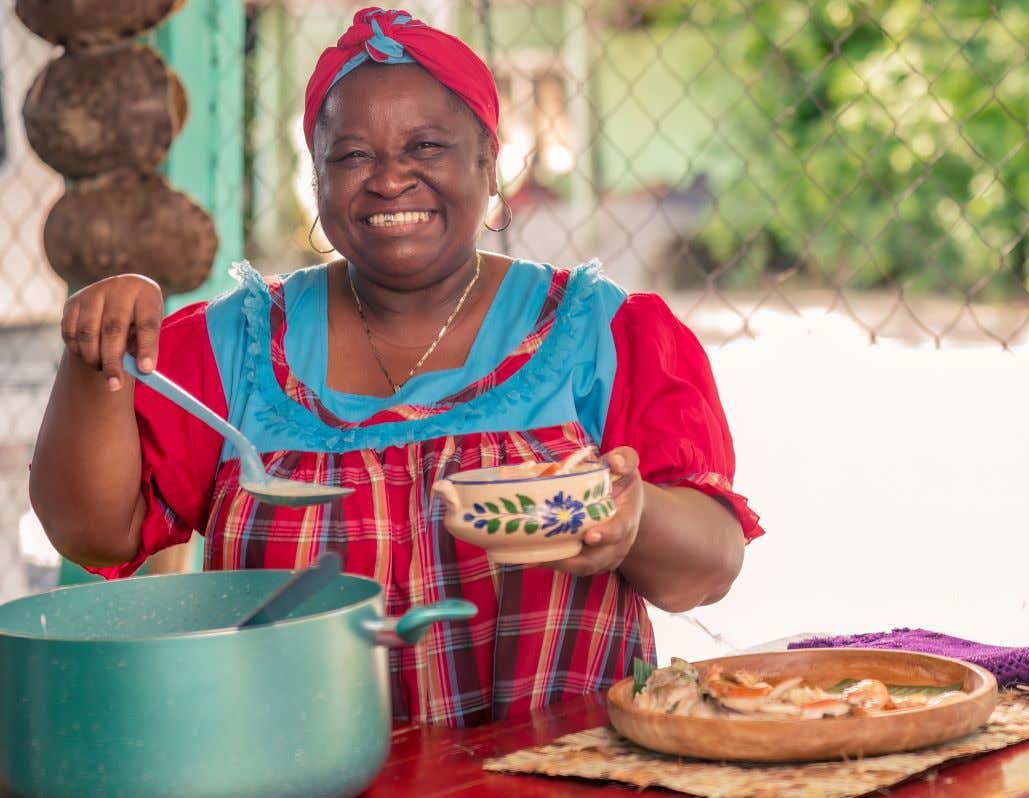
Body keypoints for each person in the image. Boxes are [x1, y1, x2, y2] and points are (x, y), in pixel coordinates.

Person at [29, 7, 761, 726]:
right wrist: (98, 357)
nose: (389, 179)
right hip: (298, 774)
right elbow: (96, 530)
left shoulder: (599, 334)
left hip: (560, 772)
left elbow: (710, 567)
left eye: (427, 147)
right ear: (316, 177)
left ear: (489, 162)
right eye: (351, 155)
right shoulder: (231, 349)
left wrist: (634, 522)